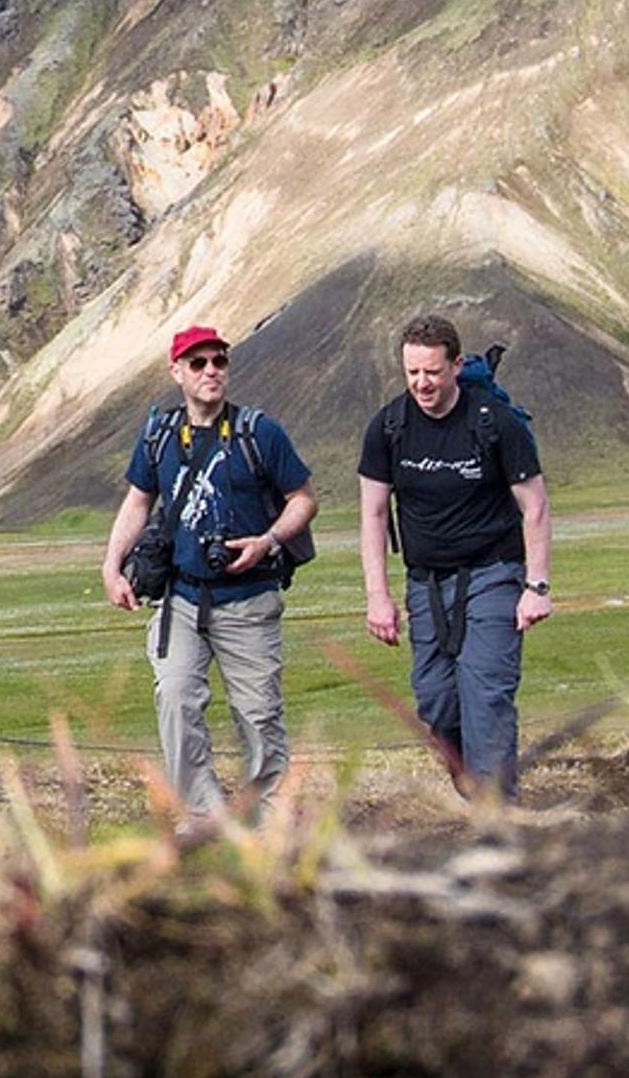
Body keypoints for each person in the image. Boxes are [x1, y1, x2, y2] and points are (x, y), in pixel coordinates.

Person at [100, 321, 315, 824]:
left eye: (219, 361)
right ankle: (199, 818)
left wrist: (268, 541)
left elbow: (303, 498)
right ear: (177, 372)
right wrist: (112, 567)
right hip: (182, 597)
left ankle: (268, 823)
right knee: (175, 699)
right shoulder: (158, 435)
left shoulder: (258, 432)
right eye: (198, 363)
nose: (211, 371)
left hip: (249, 597)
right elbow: (138, 500)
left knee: (259, 714)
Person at [357, 313, 552, 798]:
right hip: (425, 583)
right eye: (412, 373)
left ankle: (498, 821)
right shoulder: (389, 427)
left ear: (456, 365)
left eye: (433, 372)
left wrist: (537, 586)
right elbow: (374, 515)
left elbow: (535, 506)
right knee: (438, 703)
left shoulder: (494, 423)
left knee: (486, 695)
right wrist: (377, 596)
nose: (422, 383)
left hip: (494, 575)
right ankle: (473, 788)